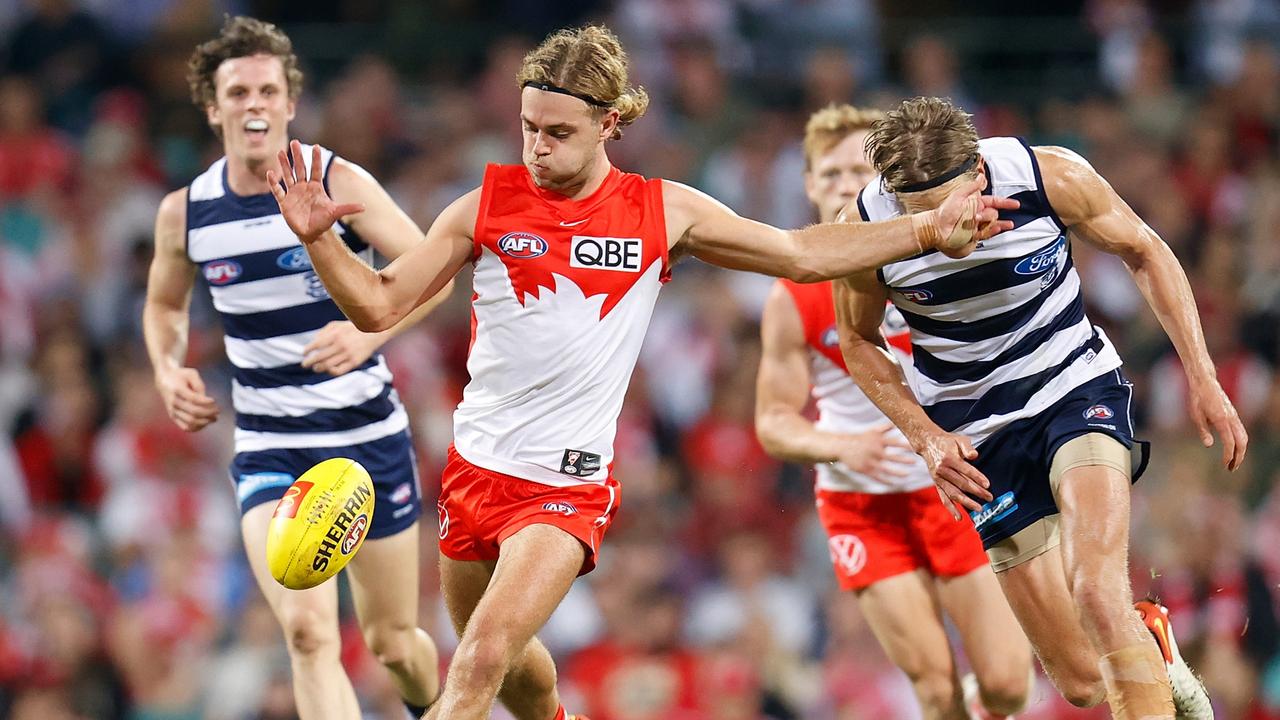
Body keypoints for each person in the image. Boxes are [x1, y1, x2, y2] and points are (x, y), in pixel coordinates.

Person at [266, 26, 1018, 720]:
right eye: (529, 128)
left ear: (610, 124)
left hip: (566, 485)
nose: (538, 148)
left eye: (558, 133)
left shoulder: (662, 212)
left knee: (482, 656)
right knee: (520, 681)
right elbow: (378, 304)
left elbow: (797, 253)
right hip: (473, 472)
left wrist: (923, 228)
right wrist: (320, 244)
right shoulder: (484, 205)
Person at [834, 96, 1247, 720]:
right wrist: (924, 437)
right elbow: (859, 341)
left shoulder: (1048, 176)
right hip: (976, 434)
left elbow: (1144, 248)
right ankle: (1155, 645)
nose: (942, 231)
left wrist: (1202, 374)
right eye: (922, 217)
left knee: (1098, 594)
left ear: (977, 172)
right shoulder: (867, 228)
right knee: (1082, 682)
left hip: (1073, 388)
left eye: (951, 208)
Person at [142, 16, 448, 720]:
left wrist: (369, 335)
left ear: (289, 103)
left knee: (393, 642)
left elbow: (432, 271)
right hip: (270, 443)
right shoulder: (185, 213)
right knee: (308, 633)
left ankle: (437, 710)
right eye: (238, 90)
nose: (255, 103)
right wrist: (166, 369)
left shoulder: (335, 179)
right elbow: (164, 306)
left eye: (268, 90)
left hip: (365, 433)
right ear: (213, 107)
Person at [754, 104, 1033, 720]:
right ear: (808, 184)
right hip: (862, 505)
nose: (843, 184)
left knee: (1010, 686)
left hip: (954, 487)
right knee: (932, 688)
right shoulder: (790, 297)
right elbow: (772, 422)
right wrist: (840, 447)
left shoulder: (935, 260)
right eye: (829, 173)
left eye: (858, 170)